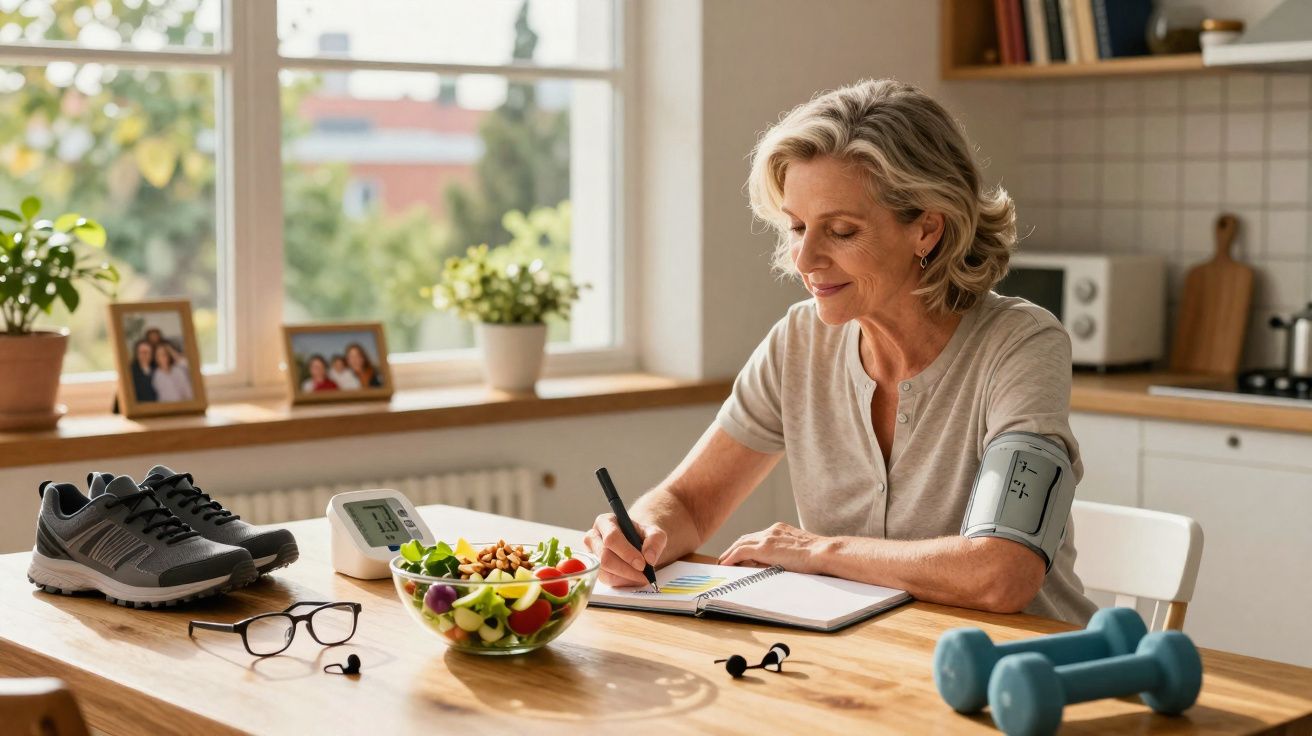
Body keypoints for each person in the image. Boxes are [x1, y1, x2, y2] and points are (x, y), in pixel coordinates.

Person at [584, 79, 1096, 625]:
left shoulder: (1019, 346)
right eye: (798, 227)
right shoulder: (799, 342)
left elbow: (1003, 571)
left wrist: (818, 552)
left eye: (842, 231)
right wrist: (640, 531)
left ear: (926, 228)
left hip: (1031, 673)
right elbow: (689, 502)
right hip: (869, 668)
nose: (805, 259)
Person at [129, 339, 157, 403]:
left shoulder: (157, 369)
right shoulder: (129, 372)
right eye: (141, 352)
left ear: (152, 354)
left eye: (147, 352)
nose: (144, 355)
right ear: (136, 354)